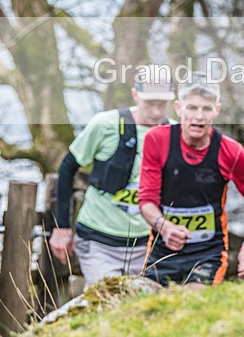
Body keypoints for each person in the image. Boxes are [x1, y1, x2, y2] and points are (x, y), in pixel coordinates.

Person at [49, 65, 174, 286]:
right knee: (107, 304)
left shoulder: (176, 134)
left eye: (162, 104)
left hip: (148, 244)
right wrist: (62, 228)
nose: (156, 112)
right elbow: (67, 168)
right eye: (149, 103)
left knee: (146, 310)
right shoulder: (105, 124)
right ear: (135, 95)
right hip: (98, 241)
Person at [138, 75, 244, 288]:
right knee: (150, 310)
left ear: (217, 110)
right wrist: (165, 227)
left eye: (206, 109)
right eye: (192, 108)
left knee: (193, 302)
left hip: (208, 255)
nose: (198, 117)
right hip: (162, 253)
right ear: (178, 108)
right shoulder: (157, 140)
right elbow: (146, 202)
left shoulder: (231, 151)